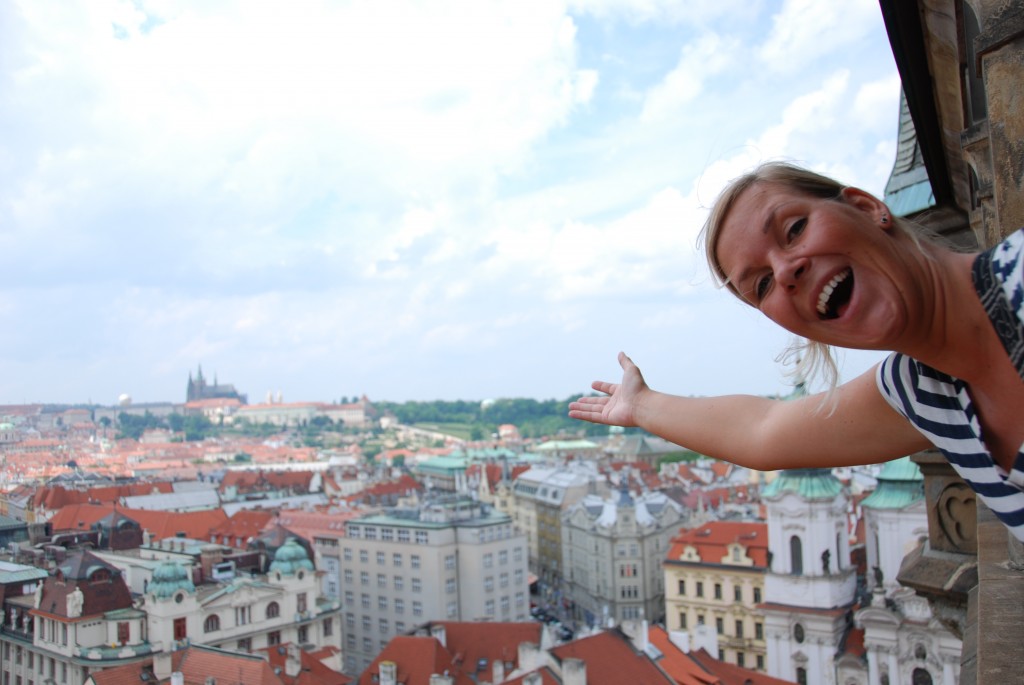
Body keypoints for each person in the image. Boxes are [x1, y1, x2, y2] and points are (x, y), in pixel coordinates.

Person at [568, 162, 1024, 541]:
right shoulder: (927, 392)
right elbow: (762, 431)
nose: (786, 270)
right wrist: (641, 404)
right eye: (762, 284)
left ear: (867, 208)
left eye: (795, 228)